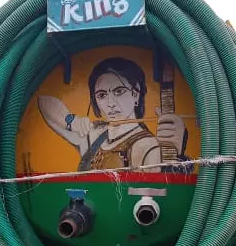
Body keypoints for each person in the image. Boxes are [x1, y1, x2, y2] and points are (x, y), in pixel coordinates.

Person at [37, 56, 188, 171]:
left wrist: (175, 153)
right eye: (102, 95)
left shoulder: (145, 145)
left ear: (136, 93)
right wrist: (72, 121)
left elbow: (152, 194)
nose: (110, 103)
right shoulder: (94, 134)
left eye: (119, 92)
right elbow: (44, 102)